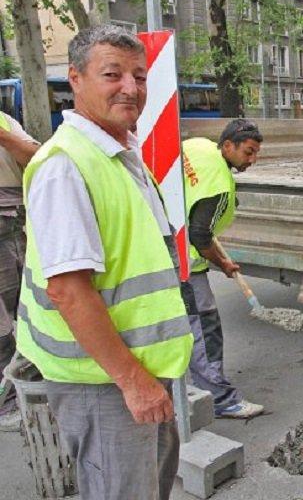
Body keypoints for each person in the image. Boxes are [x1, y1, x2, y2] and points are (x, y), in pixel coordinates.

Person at [16, 24, 193, 500]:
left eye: (139, 75)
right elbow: (68, 290)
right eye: (112, 74)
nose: (131, 88)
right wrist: (133, 382)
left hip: (133, 373)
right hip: (104, 384)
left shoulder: (120, 153)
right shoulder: (66, 166)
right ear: (75, 79)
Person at [182, 119, 265, 419]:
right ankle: (220, 399)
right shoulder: (218, 188)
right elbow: (200, 236)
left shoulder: (197, 146)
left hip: (160, 246)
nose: (252, 160)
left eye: (256, 153)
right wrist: (222, 262)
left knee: (181, 326)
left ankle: (187, 386)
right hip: (185, 264)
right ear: (227, 146)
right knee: (206, 328)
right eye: (248, 152)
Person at [0, 111, 39, 428]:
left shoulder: (4, 122)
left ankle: (30, 386)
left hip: (14, 227)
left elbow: (35, 155)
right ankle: (7, 403)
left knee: (29, 312)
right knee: (0, 331)